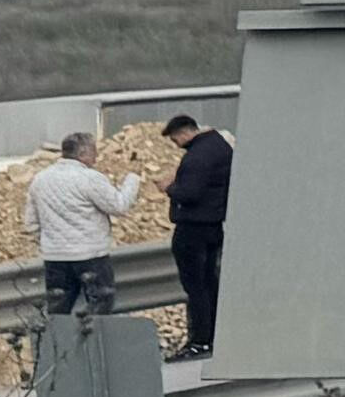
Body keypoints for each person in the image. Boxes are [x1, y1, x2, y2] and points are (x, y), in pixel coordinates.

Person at [24, 128, 140, 319]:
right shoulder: (89, 178)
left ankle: (58, 348)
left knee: (58, 312)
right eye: (94, 151)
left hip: (55, 257)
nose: (97, 156)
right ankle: (91, 347)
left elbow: (30, 223)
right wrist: (132, 180)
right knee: (100, 307)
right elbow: (119, 206)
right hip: (91, 255)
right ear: (83, 154)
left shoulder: (40, 179)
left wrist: (49, 240)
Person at [158, 109, 233, 359]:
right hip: (213, 226)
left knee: (196, 285)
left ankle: (200, 339)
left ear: (184, 132)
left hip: (193, 228)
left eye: (175, 139)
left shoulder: (198, 156)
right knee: (210, 281)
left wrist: (169, 187)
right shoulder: (220, 146)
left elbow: (190, 193)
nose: (176, 145)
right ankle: (214, 335)